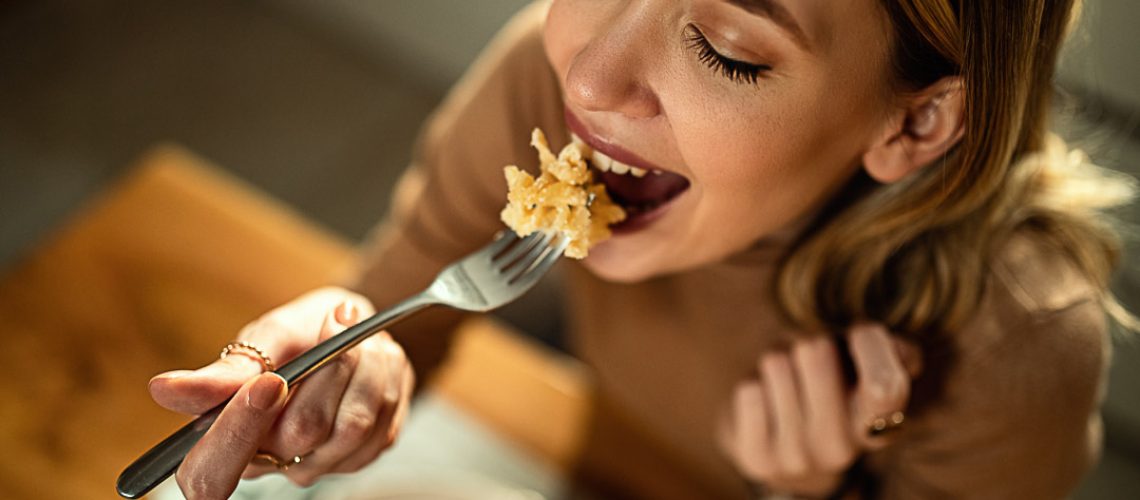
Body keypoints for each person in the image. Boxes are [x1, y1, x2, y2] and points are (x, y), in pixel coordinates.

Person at [146, 0, 1135, 498]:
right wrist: (348, 359)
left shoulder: (1020, 339)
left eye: (725, 50)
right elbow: (411, 299)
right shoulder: (552, 77)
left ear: (917, 125)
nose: (590, 76)